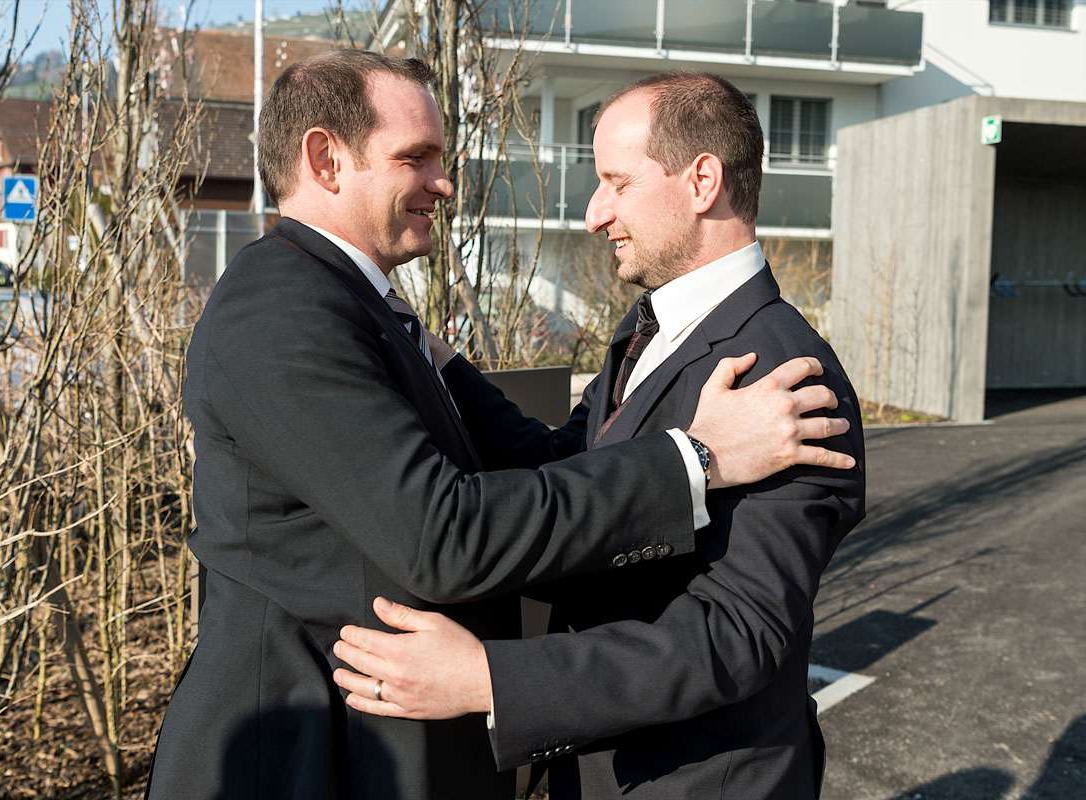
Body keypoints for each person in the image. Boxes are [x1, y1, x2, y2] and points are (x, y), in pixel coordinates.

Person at [146, 53, 854, 800]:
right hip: (308, 759)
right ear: (325, 160)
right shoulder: (286, 307)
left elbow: (736, 629)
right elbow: (469, 516)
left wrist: (493, 679)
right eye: (416, 157)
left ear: (702, 181)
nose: (595, 212)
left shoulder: (781, 379)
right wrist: (699, 458)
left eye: (617, 183)